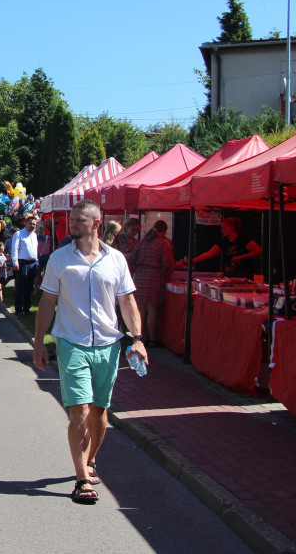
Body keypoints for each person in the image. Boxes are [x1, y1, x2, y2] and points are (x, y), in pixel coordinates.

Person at [32, 199, 146, 506]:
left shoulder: (116, 260)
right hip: (71, 342)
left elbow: (127, 302)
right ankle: (81, 477)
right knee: (79, 409)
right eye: (72, 220)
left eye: (80, 220)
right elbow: (47, 303)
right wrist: (39, 341)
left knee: (99, 409)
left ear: (96, 224)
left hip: (108, 345)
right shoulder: (59, 259)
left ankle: (91, 458)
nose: (73, 225)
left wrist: (137, 338)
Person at [132, 220, 174, 347]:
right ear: (164, 231)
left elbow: (133, 257)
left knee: (141, 310)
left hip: (139, 276)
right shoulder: (164, 243)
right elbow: (168, 263)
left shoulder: (143, 241)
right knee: (152, 309)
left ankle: (141, 338)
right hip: (154, 277)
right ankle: (153, 339)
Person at [178, 216, 261, 278]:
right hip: (230, 273)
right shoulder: (224, 241)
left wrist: (240, 257)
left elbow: (258, 251)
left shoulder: (243, 238)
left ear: (232, 227)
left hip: (244, 273)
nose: (221, 230)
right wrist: (190, 262)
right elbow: (208, 254)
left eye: (224, 227)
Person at [10, 215, 39, 317]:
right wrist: (15, 262)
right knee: (20, 287)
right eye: (30, 224)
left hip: (33, 263)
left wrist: (37, 263)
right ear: (25, 223)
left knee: (29, 287)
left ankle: (27, 308)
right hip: (22, 263)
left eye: (34, 224)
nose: (32, 226)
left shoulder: (34, 235)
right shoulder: (19, 234)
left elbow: (35, 250)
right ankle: (18, 309)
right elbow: (14, 249)